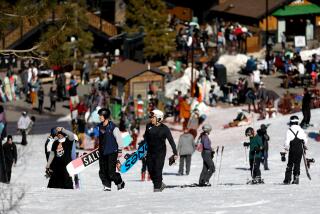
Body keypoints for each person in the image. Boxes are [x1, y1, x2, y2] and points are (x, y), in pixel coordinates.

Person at [143, 109, 178, 192]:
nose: (151, 119)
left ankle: (157, 189)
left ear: (158, 118)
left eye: (153, 117)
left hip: (160, 152)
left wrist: (175, 152)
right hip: (150, 152)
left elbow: (171, 141)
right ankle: (160, 183)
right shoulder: (148, 126)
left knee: (157, 170)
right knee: (151, 170)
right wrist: (142, 148)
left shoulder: (165, 129)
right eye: (150, 117)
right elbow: (146, 138)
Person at [95, 108, 125, 191]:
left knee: (111, 173)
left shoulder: (113, 127)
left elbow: (119, 140)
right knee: (102, 171)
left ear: (105, 116)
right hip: (102, 152)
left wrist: (119, 151)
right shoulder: (100, 126)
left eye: (101, 115)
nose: (99, 117)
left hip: (112, 152)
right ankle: (107, 185)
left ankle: (119, 182)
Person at [283, 115, 308, 185]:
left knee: (290, 164)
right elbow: (305, 140)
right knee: (297, 164)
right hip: (300, 150)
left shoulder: (289, 130)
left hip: (292, 150)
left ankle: (287, 180)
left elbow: (287, 141)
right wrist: (305, 145)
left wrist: (286, 148)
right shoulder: (301, 130)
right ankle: (296, 177)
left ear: (291, 122)